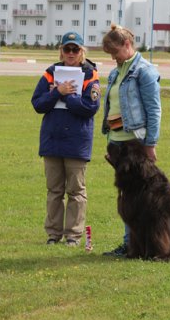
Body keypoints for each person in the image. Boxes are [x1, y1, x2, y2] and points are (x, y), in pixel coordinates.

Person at [31, 31, 101, 246]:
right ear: (61, 51)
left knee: (76, 191)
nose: (71, 53)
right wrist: (56, 92)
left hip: (76, 142)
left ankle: (73, 235)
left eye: (75, 49)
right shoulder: (50, 73)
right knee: (54, 191)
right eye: (67, 49)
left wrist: (67, 95)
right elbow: (37, 104)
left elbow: (91, 107)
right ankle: (53, 234)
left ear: (82, 51)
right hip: (52, 141)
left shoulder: (90, 75)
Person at [100, 24, 161, 257]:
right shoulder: (116, 72)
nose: (113, 57)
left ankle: (139, 245)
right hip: (117, 142)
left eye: (115, 51)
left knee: (140, 198)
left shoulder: (144, 71)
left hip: (135, 144)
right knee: (126, 195)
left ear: (127, 44)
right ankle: (130, 244)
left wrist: (150, 143)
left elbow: (154, 110)